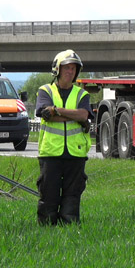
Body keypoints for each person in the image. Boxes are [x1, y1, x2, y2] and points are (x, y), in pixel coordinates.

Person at [35, 49, 92, 225]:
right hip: (50, 153)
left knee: (72, 196)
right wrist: (74, 116)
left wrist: (57, 110)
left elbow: (84, 115)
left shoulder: (82, 94)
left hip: (76, 153)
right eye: (67, 68)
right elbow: (45, 114)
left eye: (74, 69)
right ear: (57, 70)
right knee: (48, 195)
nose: (70, 72)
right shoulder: (45, 91)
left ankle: (70, 228)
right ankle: (46, 230)